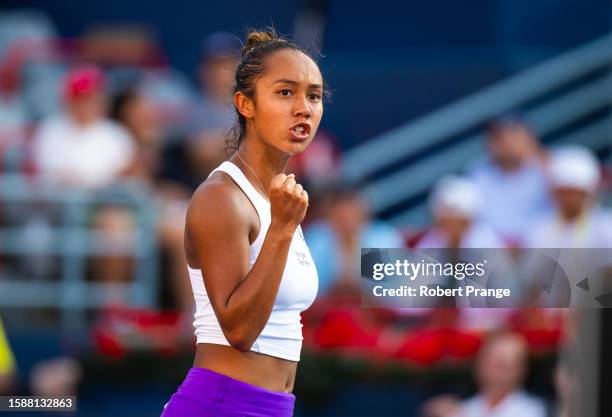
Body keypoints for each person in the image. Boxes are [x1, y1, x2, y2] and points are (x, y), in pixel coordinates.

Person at [160, 28, 323, 416]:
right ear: (245, 104)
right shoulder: (221, 197)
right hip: (223, 404)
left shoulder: (278, 195)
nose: (303, 108)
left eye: (313, 95)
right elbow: (239, 330)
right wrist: (281, 230)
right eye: (285, 92)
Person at [469, 117, 551, 246]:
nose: (504, 142)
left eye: (512, 135)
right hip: (495, 253)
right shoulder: (477, 173)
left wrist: (539, 156)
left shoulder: (549, 166)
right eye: (496, 137)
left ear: (528, 137)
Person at [422, 332, 546, 417]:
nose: (496, 371)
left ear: (522, 369)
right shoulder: (465, 408)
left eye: (504, 364)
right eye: (491, 362)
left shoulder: (533, 410)